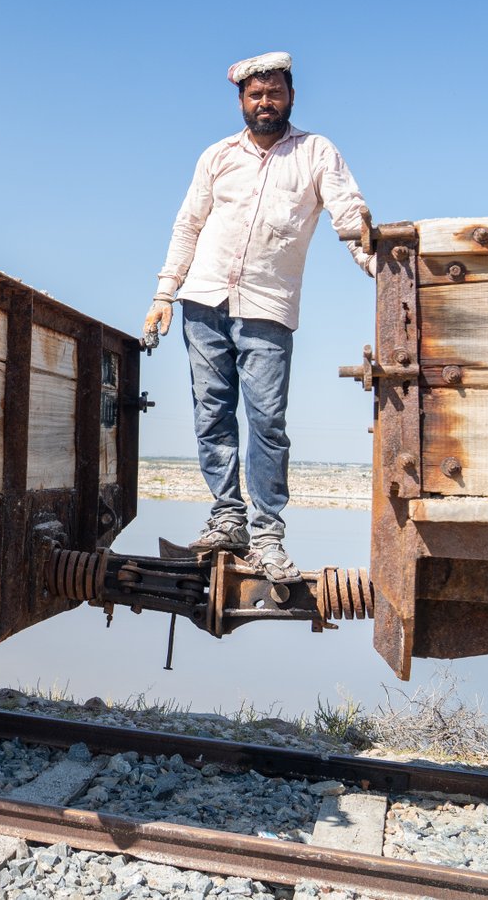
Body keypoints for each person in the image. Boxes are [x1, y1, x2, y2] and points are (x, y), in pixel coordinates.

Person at [144, 51, 374, 583]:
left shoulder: (316, 152)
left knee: (267, 422)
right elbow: (188, 225)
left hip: (268, 307)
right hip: (203, 301)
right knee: (211, 413)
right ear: (241, 102)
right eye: (255, 94)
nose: (265, 102)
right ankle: (228, 519)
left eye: (274, 92)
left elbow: (351, 218)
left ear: (291, 96)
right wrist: (164, 294)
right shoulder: (217, 156)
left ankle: (268, 535)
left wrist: (383, 271)